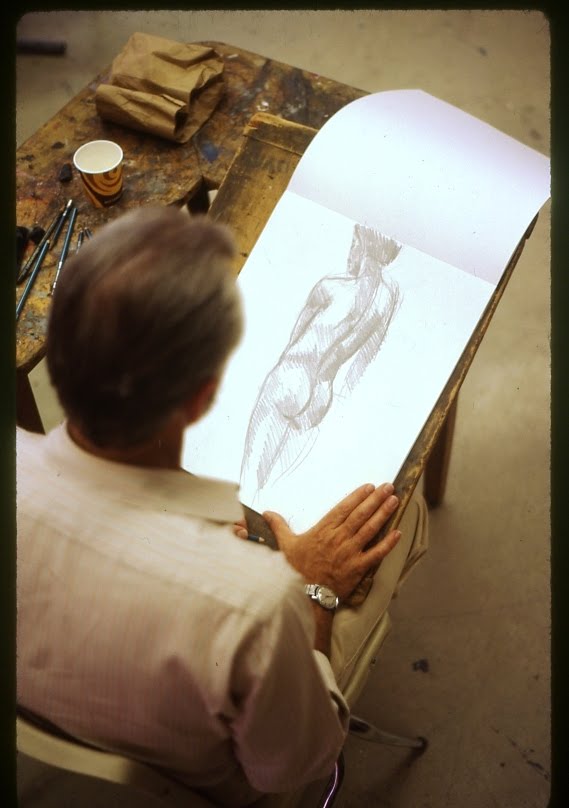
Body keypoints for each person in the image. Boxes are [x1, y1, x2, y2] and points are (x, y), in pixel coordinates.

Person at [16, 206, 428, 806]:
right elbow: (295, 767)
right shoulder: (257, 603)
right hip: (213, 781)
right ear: (205, 393)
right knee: (401, 514)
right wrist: (309, 590)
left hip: (51, 731)